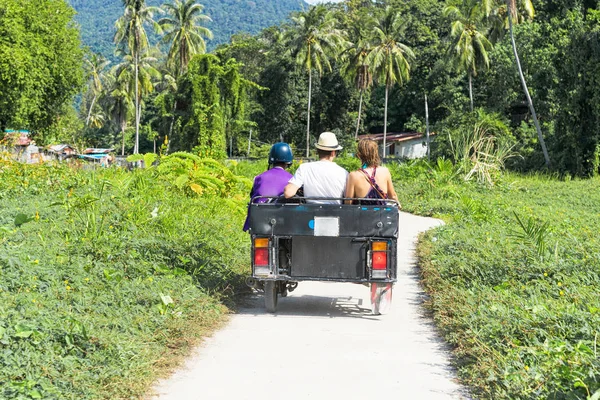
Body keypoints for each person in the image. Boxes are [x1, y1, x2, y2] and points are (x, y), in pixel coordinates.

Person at [284, 132, 348, 204]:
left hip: (311, 213)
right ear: (333, 153)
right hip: (336, 213)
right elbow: (348, 199)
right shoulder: (344, 173)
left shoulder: (304, 168)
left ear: (317, 151)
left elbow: (288, 193)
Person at [243, 142, 294, 232]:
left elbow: (253, 196)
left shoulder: (259, 177)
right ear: (288, 162)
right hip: (283, 221)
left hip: (259, 220)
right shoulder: (292, 179)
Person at [344, 138, 399, 206]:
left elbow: (348, 202)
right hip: (381, 215)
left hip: (362, 215)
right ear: (376, 153)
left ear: (359, 155)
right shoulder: (385, 171)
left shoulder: (354, 175)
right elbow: (393, 196)